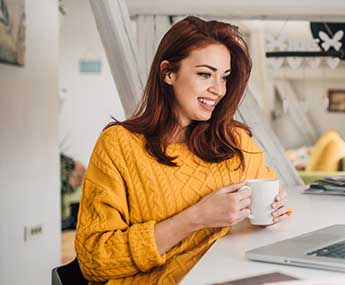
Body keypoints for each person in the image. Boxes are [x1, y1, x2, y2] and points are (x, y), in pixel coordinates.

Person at [75, 16, 289, 284]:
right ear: (168, 73)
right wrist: (197, 217)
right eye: (204, 74)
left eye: (225, 77)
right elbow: (94, 260)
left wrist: (273, 210)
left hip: (232, 274)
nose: (218, 89)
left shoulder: (234, 139)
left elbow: (268, 198)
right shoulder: (119, 145)